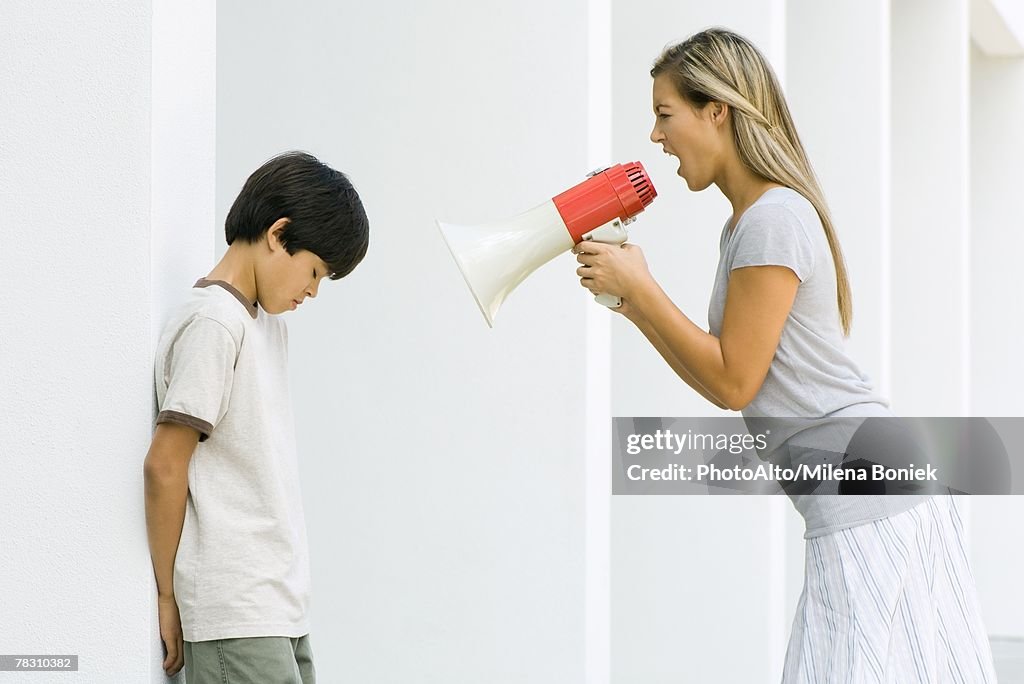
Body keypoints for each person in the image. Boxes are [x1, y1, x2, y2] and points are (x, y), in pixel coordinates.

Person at [573, 27, 997, 682]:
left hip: (867, 495)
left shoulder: (773, 218)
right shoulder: (750, 222)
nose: (655, 137)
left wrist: (644, 291)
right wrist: (631, 302)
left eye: (665, 114)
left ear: (716, 110)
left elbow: (735, 381)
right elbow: (725, 376)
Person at [143, 151, 369, 682]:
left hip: (279, 606)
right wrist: (167, 595)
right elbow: (164, 466)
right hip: (235, 610)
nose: (313, 290)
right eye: (314, 271)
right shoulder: (214, 325)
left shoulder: (265, 326)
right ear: (277, 233)